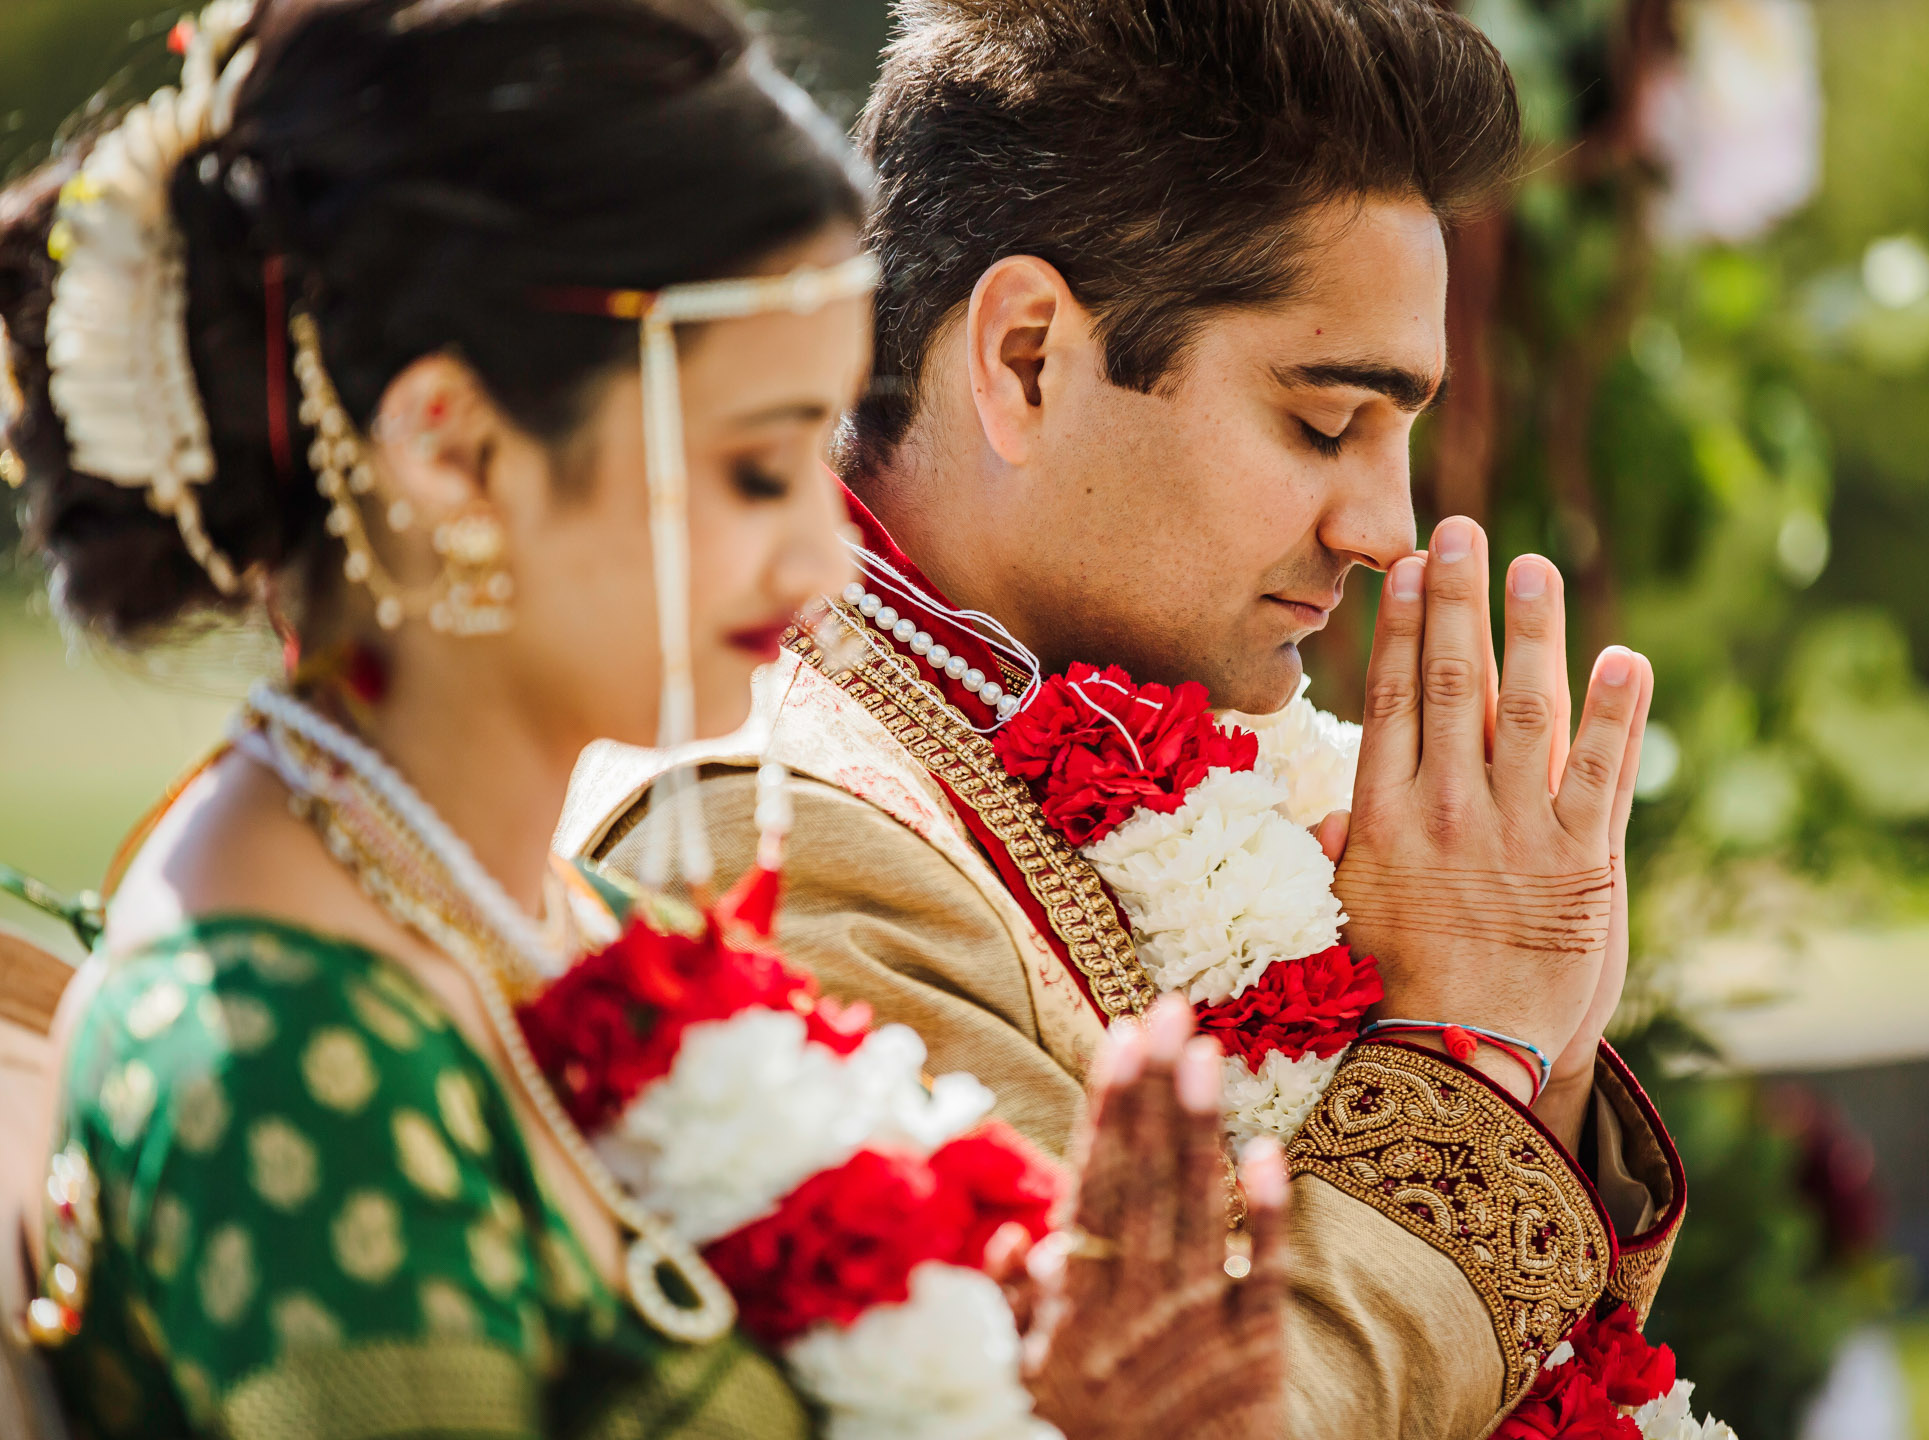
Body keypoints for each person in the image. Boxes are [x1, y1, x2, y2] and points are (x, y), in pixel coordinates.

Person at [0, 1, 1289, 1436]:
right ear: (453, 452)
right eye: (753, 469)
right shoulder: (278, 1058)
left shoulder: (555, 917)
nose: (825, 556)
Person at [562, 0, 1689, 1436]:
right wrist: (1468, 1057)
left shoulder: (1175, 735)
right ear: (1026, 357)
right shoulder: (766, 850)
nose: (1386, 529)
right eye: (1328, 424)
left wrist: (1544, 1032)